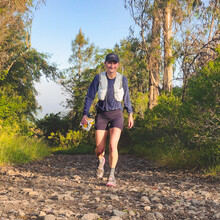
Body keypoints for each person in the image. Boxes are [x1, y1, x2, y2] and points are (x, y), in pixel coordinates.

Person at [81, 53, 134, 187]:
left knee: (112, 145)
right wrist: (85, 114)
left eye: (114, 63)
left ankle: (111, 175)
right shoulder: (98, 78)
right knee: (99, 149)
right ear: (105, 64)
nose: (112, 65)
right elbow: (89, 97)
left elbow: (127, 97)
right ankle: (101, 161)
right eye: (109, 63)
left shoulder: (123, 79)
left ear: (118, 65)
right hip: (102, 115)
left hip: (117, 115)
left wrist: (130, 114)